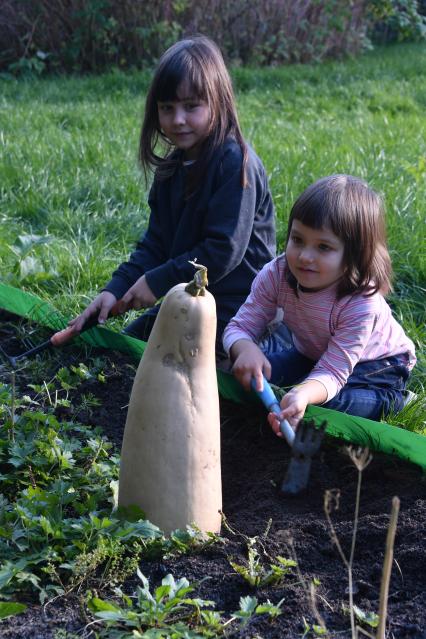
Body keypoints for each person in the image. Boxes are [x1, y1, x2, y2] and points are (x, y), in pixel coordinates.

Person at [70, 35, 276, 352]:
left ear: (218, 103)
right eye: (167, 108)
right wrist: (116, 289)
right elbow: (156, 243)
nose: (178, 119)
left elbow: (221, 252)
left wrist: (157, 282)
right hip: (189, 299)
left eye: (191, 106)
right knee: (124, 350)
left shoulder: (234, 163)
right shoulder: (170, 169)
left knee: (178, 364)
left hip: (242, 312)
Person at [222, 174, 416, 433]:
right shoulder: (277, 273)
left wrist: (303, 393)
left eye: (323, 247)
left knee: (323, 408)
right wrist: (243, 347)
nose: (304, 256)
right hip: (312, 352)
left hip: (378, 365)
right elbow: (240, 326)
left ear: (354, 256)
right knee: (251, 379)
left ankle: (396, 400)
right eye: (298, 239)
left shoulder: (361, 302)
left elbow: (334, 371)